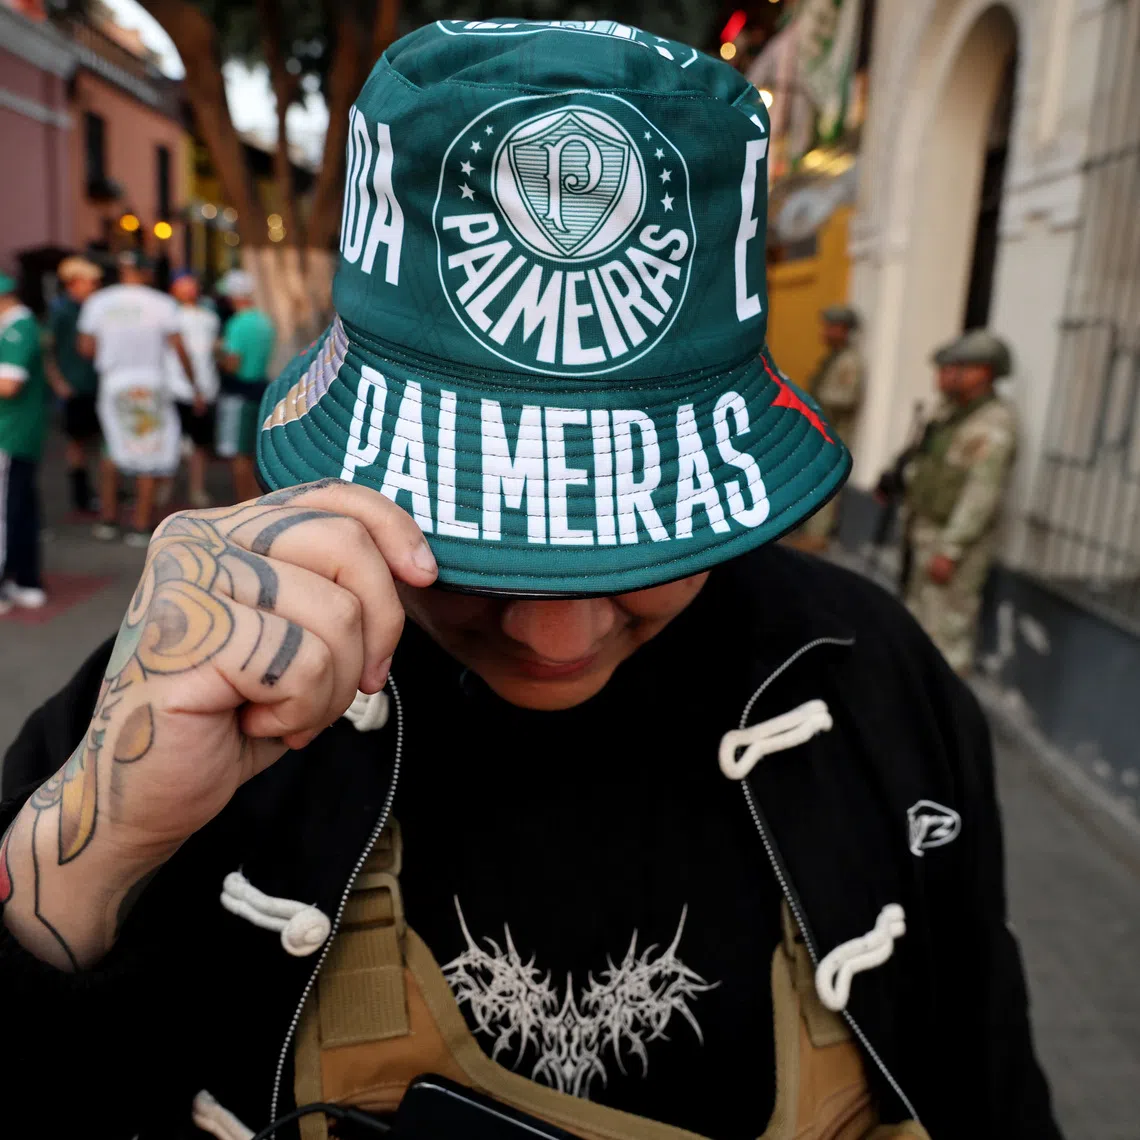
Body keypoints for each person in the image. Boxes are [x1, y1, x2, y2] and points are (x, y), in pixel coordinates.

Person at [0, 24, 1060, 1140]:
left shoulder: (874, 682)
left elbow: (989, 1076)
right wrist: (99, 845)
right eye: (473, 544)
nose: (555, 635)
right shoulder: (200, 672)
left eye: (641, 545)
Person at [903, 330, 1018, 675]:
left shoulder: (994, 423)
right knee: (920, 617)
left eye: (957, 368)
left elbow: (980, 496)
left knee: (949, 631)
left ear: (983, 372)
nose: (946, 376)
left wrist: (950, 549)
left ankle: (946, 703)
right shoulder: (952, 413)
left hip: (955, 542)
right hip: (928, 527)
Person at [77, 250, 200, 546]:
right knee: (150, 455)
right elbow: (179, 349)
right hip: (151, 383)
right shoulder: (162, 303)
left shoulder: (98, 302)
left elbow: (86, 349)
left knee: (112, 450)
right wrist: (194, 385)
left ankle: (109, 520)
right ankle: (142, 525)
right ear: (145, 273)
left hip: (114, 384)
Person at [788, 305, 864, 552]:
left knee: (826, 483)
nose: (826, 332)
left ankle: (818, 536)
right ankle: (811, 532)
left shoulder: (849, 361)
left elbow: (844, 397)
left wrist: (810, 400)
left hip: (834, 435)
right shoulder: (833, 358)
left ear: (844, 330)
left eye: (832, 327)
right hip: (821, 433)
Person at [0, 271, 49, 612]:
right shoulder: (20, 326)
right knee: (20, 508)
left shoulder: (18, 329)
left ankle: (7, 582)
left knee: (8, 513)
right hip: (17, 432)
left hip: (11, 432)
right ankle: (26, 578)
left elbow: (8, 385)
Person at [45, 256, 103, 515]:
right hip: (75, 385)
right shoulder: (62, 310)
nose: (94, 286)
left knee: (94, 441)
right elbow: (48, 349)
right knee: (77, 442)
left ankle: (96, 491)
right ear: (74, 283)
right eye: (90, 282)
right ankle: (81, 494)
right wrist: (58, 382)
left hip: (95, 383)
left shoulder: (93, 307)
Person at [214, 268, 275, 502]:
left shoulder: (237, 324)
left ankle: (243, 503)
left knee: (239, 453)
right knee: (251, 452)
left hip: (239, 392)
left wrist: (216, 353)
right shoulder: (264, 322)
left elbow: (233, 364)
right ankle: (252, 499)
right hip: (260, 389)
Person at [166, 271, 221, 508]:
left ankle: (196, 489)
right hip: (175, 388)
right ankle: (165, 488)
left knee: (200, 444)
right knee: (171, 441)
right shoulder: (169, 316)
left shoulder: (210, 318)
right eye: (182, 285)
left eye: (192, 285)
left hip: (206, 389)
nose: (189, 289)